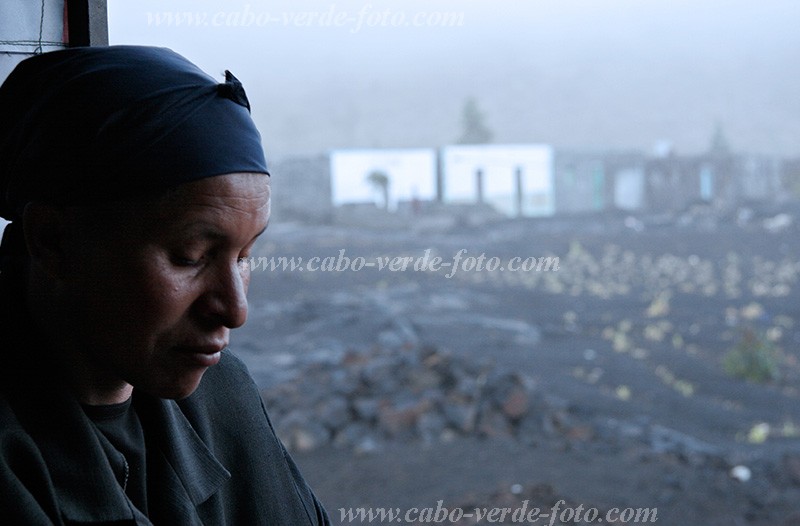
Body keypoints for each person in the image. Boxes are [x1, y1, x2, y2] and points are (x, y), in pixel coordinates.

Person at [0, 46, 330, 525]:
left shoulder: (221, 393)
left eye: (243, 257)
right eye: (191, 257)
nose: (236, 311)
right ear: (53, 242)